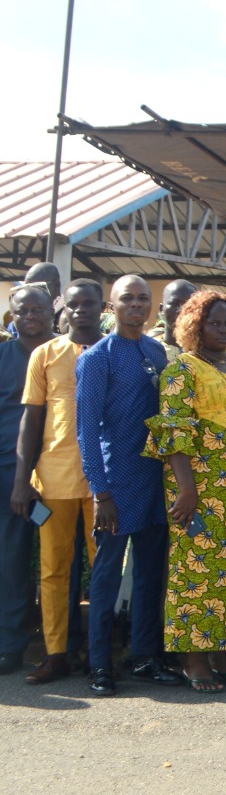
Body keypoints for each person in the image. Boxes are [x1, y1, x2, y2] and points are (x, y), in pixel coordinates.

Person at [146, 290, 226, 691]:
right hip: (197, 486)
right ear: (195, 326)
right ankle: (194, 658)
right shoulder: (182, 371)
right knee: (196, 570)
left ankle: (222, 649)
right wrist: (187, 489)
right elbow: (174, 433)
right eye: (214, 323)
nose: (223, 330)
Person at [77, 276, 180, 695]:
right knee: (106, 574)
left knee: (151, 572)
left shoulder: (156, 351)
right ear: (111, 306)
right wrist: (101, 492)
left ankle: (145, 656)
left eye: (143, 299)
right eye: (128, 299)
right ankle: (99, 663)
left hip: (156, 477)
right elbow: (86, 430)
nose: (137, 305)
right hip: (116, 481)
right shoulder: (98, 357)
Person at [12, 279, 103, 684]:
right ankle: (56, 653)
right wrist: (20, 480)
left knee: (102, 568)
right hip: (54, 476)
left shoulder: (114, 350)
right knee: (53, 570)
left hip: (105, 480)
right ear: (62, 306)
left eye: (90, 304)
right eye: (75, 303)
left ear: (105, 307)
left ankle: (98, 653)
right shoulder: (46, 354)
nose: (82, 311)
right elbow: (31, 419)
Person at [0, 286, 55, 674]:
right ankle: (12, 644)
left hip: (61, 473)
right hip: (8, 475)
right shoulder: (3, 356)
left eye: (38, 308)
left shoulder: (69, 354)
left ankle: (63, 645)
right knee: (11, 561)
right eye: (23, 310)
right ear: (12, 315)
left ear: (54, 310)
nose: (31, 315)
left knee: (61, 564)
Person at [155, 279, 197, 363]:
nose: (181, 310)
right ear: (161, 309)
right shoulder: (151, 350)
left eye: (188, 305)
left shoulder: (207, 354)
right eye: (174, 303)